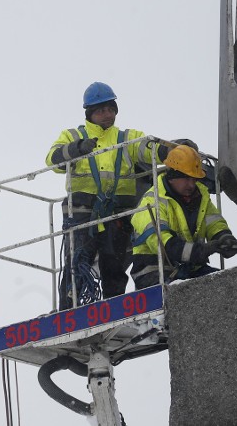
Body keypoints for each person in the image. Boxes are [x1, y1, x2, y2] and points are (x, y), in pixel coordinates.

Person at [46, 81, 166, 309]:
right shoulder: (72, 135)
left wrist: (173, 150)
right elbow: (52, 160)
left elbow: (148, 148)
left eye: (111, 109)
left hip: (117, 213)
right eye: (101, 110)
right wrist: (76, 149)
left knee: (114, 261)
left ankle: (113, 304)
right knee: (77, 261)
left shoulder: (126, 138)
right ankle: (68, 308)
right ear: (90, 113)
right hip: (82, 211)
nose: (107, 114)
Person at [130, 144, 237, 289]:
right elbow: (164, 245)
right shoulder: (151, 202)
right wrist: (200, 251)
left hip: (189, 269)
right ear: (172, 176)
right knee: (196, 292)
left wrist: (225, 238)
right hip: (153, 272)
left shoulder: (201, 196)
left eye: (194, 179)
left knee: (229, 285)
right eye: (187, 178)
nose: (191, 184)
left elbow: (214, 223)